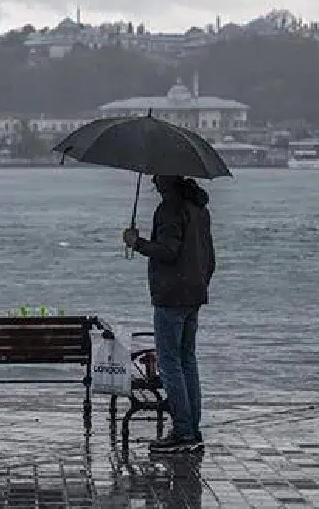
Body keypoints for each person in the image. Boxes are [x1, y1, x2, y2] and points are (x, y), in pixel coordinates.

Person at [122, 175, 215, 454]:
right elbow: (210, 257)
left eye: (158, 177)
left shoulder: (170, 210)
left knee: (170, 363)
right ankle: (192, 428)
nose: (154, 180)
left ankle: (183, 431)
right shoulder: (199, 210)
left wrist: (136, 242)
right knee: (187, 361)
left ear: (167, 181)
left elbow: (168, 251)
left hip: (171, 296)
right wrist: (200, 283)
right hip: (194, 294)